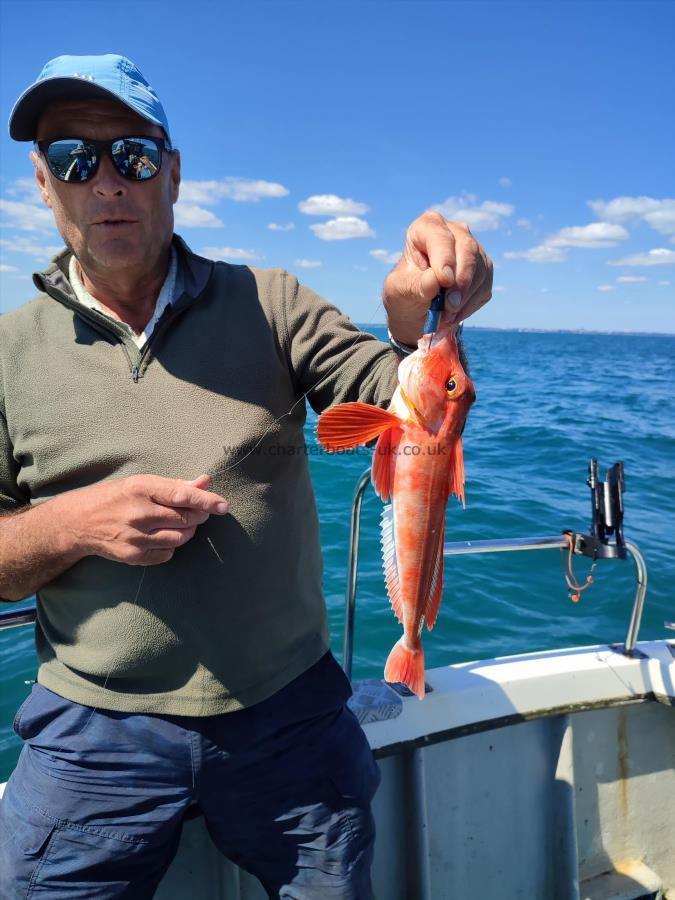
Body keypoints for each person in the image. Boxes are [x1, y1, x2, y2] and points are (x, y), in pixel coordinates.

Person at [0, 54, 493, 899]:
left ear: (175, 175)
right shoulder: (8, 355)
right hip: (92, 729)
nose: (107, 181)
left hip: (289, 714)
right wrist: (73, 525)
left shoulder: (271, 303)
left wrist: (417, 315)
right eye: (75, 159)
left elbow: (400, 401)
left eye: (135, 156)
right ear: (44, 185)